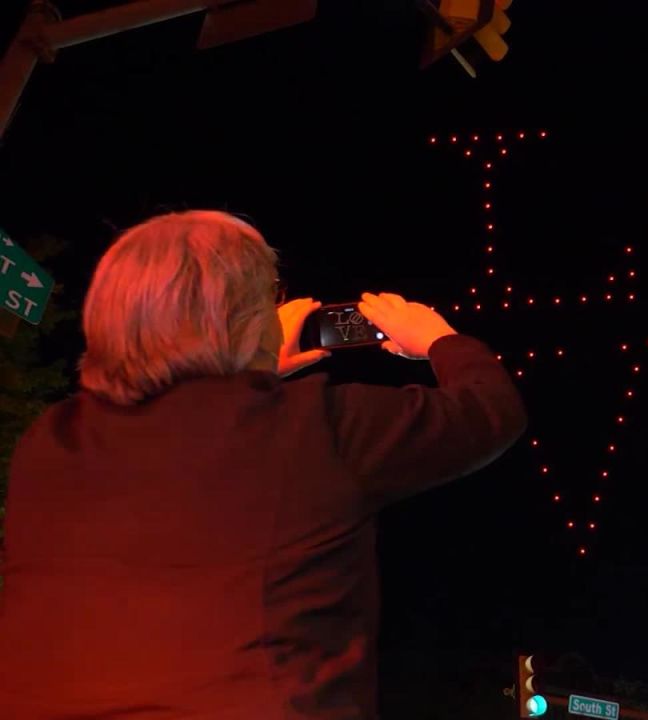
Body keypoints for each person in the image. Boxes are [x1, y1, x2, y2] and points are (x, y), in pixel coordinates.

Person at [0, 210, 528, 719]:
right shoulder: (314, 429)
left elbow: (189, 441)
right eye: (266, 300)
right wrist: (437, 337)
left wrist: (252, 374)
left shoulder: (49, 442)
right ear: (242, 320)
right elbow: (491, 412)